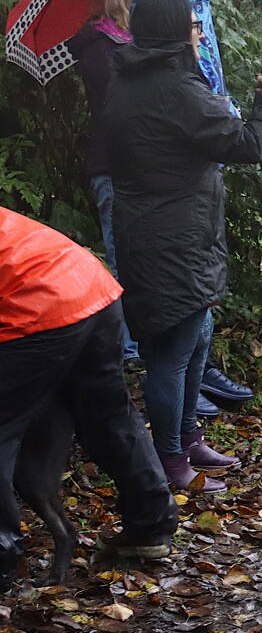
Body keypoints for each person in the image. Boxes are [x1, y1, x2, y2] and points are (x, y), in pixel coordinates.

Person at [104, 0, 262, 487]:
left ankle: (186, 440)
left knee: (195, 339)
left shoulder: (132, 82)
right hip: (171, 238)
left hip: (171, 233)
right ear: (172, 33)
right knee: (172, 351)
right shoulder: (173, 89)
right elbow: (248, 143)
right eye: (192, 25)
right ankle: (169, 460)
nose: (200, 31)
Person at [0, 208, 178, 585]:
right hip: (90, 284)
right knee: (109, 415)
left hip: (37, 301)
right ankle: (150, 526)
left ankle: (3, 555)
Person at [70, 0, 151, 365]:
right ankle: (128, 346)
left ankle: (140, 340)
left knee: (145, 257)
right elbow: (115, 105)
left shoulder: (126, 44)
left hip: (136, 166)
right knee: (122, 257)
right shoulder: (100, 47)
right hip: (114, 168)